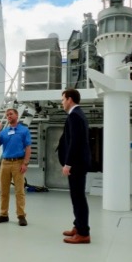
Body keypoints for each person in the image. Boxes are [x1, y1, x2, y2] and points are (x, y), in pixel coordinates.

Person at [57, 88, 91, 244]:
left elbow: (75, 143)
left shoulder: (75, 116)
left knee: (78, 198)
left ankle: (83, 233)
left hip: (76, 164)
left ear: (70, 99)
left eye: (63, 99)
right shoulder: (78, 115)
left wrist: (68, 164)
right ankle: (78, 226)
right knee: (77, 197)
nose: (62, 102)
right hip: (78, 164)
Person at [0, 108, 31, 226]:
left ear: (17, 115)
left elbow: (28, 148)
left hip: (18, 163)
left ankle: (21, 215)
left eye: (11, 114)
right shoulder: (4, 132)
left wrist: (25, 163)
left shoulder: (24, 131)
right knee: (4, 190)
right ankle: (3, 215)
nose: (8, 116)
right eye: (7, 115)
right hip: (5, 163)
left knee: (19, 191)